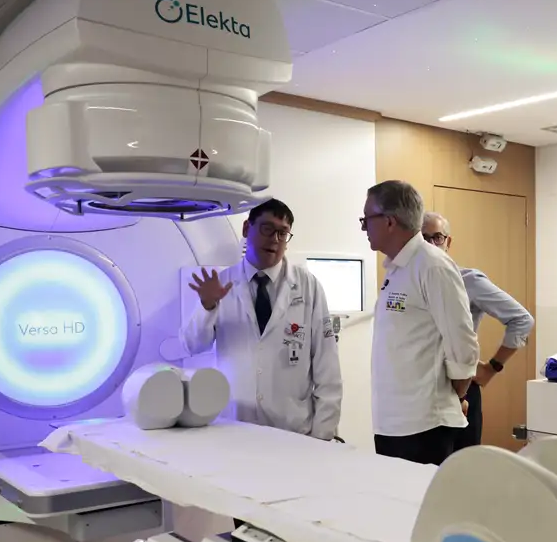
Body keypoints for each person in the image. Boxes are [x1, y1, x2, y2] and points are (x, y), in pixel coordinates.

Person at [180, 198, 342, 440]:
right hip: (236, 426)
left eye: (282, 233)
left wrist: (323, 435)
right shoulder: (222, 284)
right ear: (247, 228)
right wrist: (207, 306)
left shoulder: (308, 286)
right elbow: (192, 345)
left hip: (294, 430)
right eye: (267, 229)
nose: (275, 239)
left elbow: (327, 367)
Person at [364, 181, 479, 465]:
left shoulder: (432, 265)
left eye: (367, 219)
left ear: (389, 221)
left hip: (425, 426)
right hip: (393, 423)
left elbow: (463, 344)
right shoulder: (397, 267)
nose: (364, 227)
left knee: (422, 495)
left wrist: (455, 395)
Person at [421, 212, 535, 450]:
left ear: (448, 242)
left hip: (460, 389)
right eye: (423, 238)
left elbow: (522, 319)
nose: (431, 244)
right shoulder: (411, 281)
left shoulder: (468, 280)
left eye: (437, 237)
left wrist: (492, 368)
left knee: (461, 465)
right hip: (423, 391)